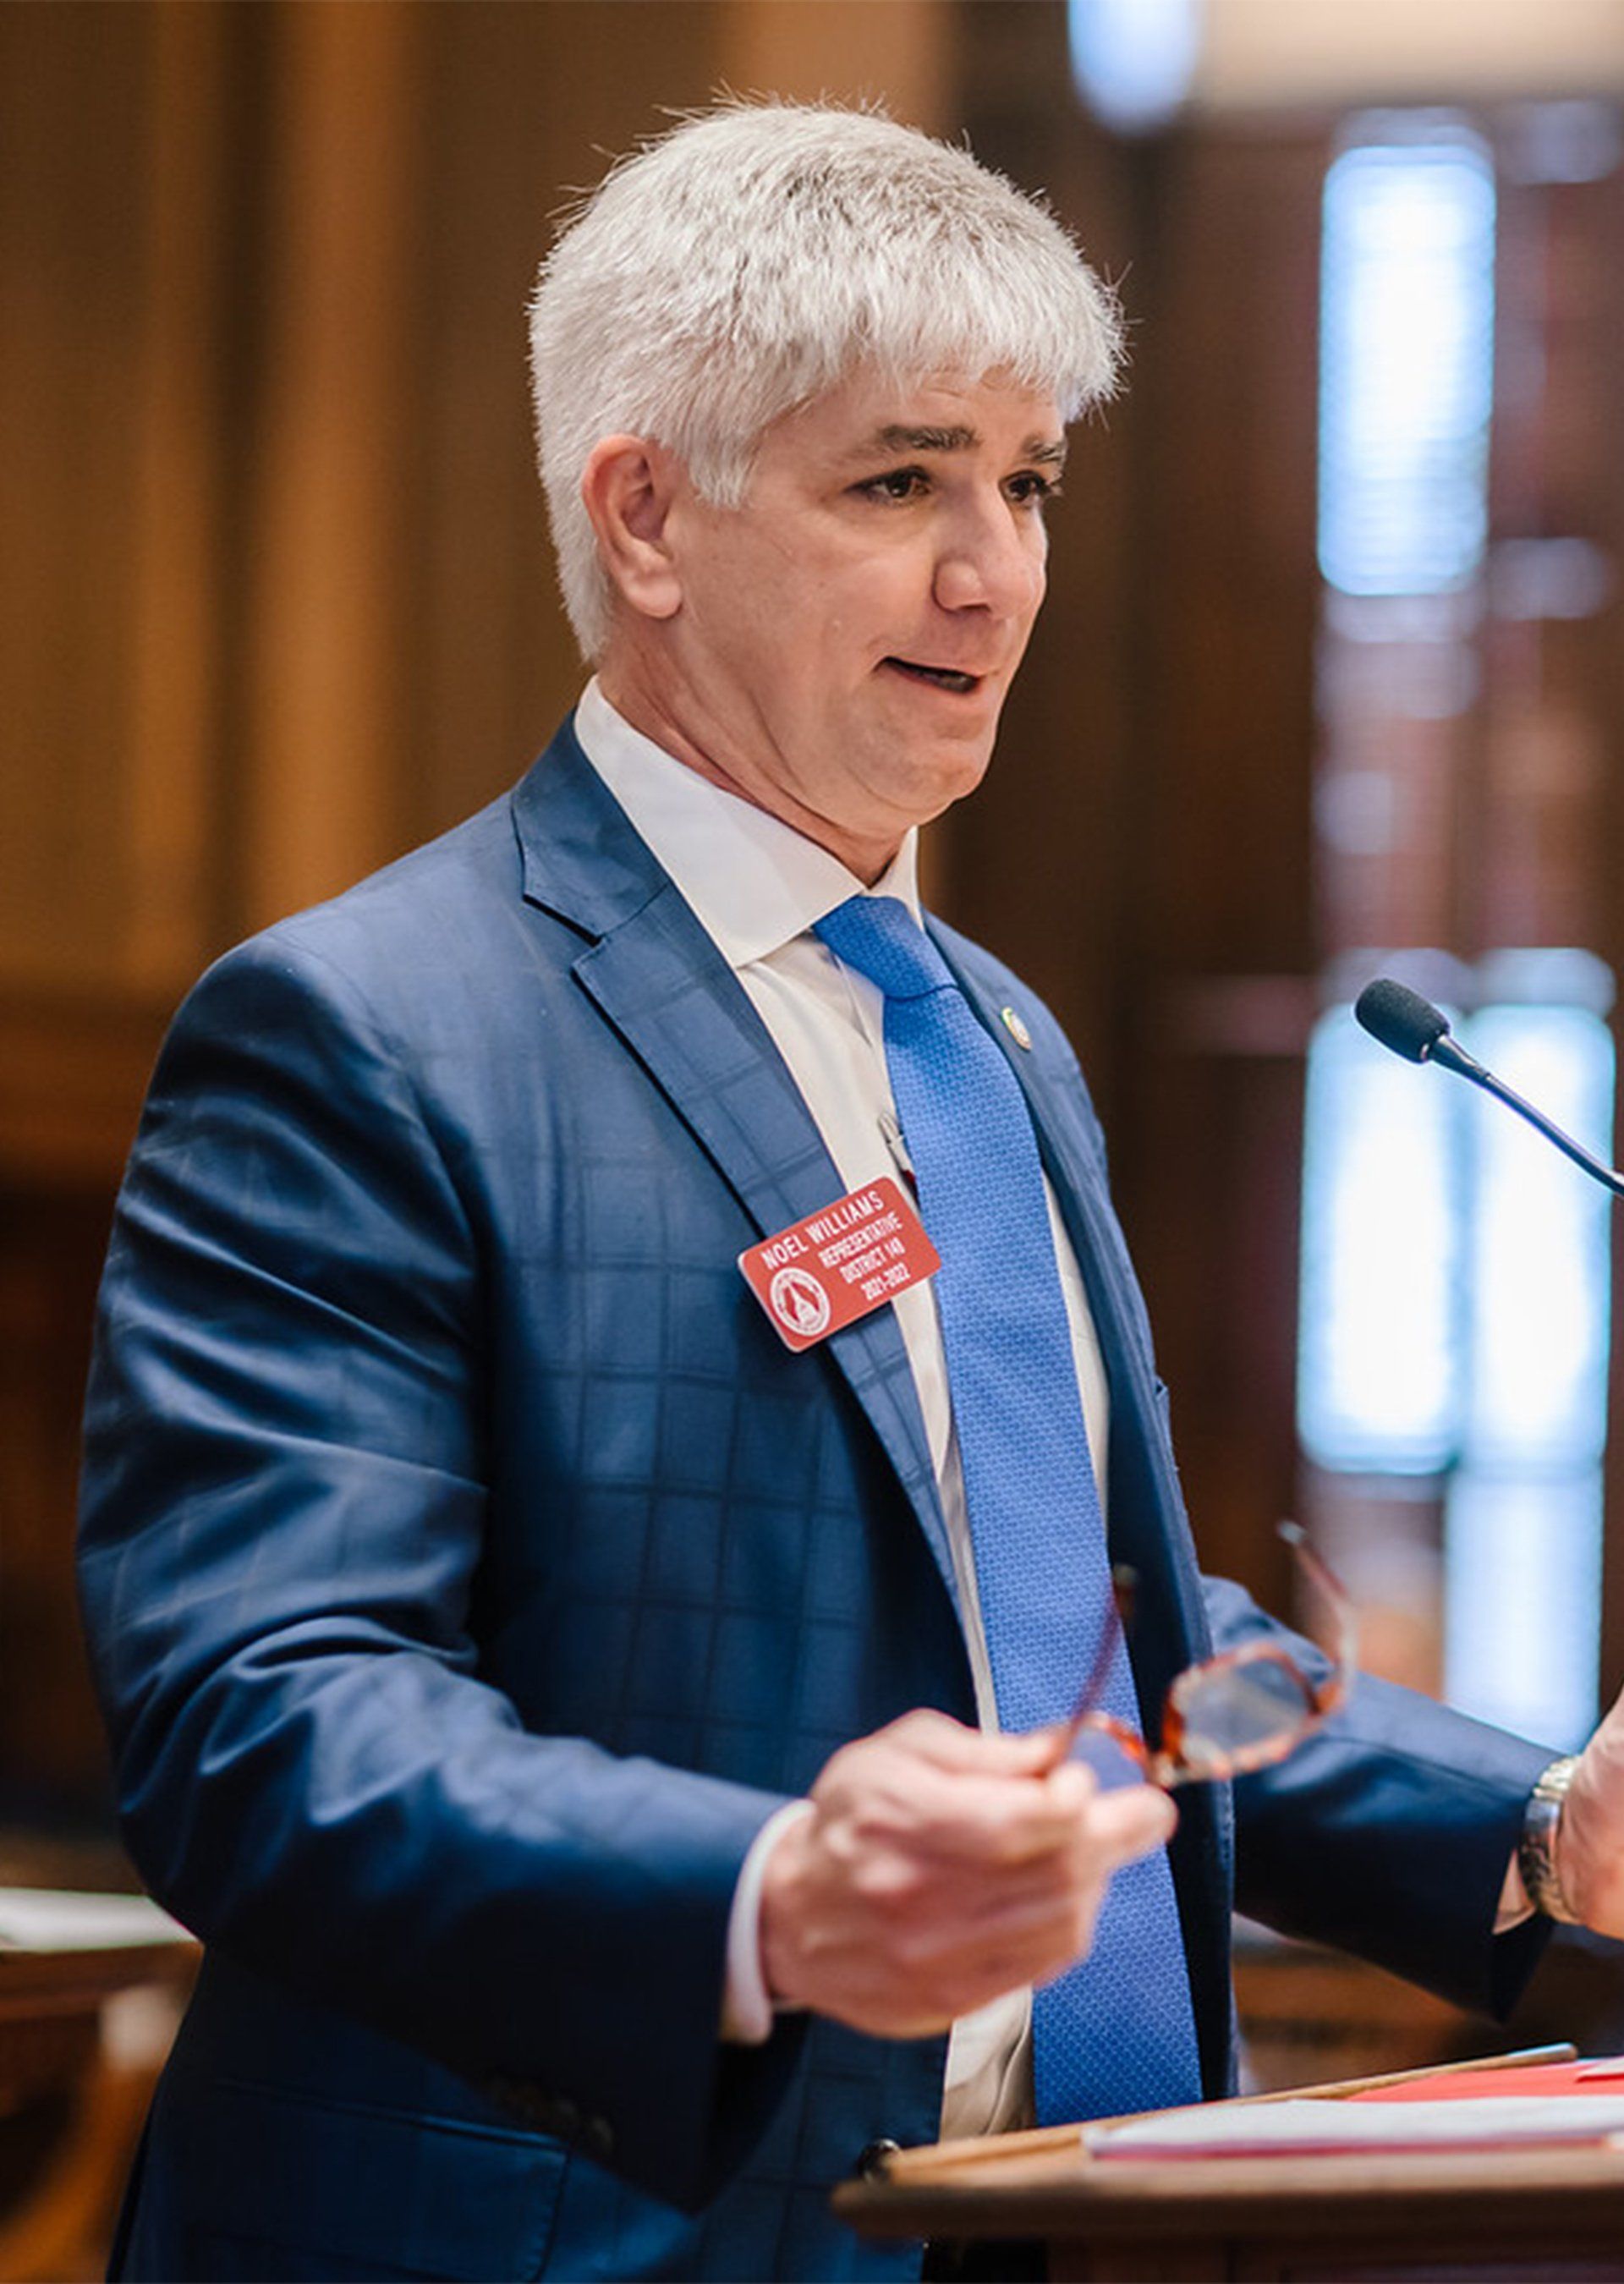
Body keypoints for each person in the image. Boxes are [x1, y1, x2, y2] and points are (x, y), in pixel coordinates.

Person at [75, 101, 1624, 2284]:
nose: (996, 574)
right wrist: (766, 1894)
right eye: (901, 483)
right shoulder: (365, 1030)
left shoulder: (988, 1034)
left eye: (1028, 482)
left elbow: (1078, 1654)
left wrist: (1538, 1825)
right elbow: (266, 1717)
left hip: (1068, 2226)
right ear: (646, 518)